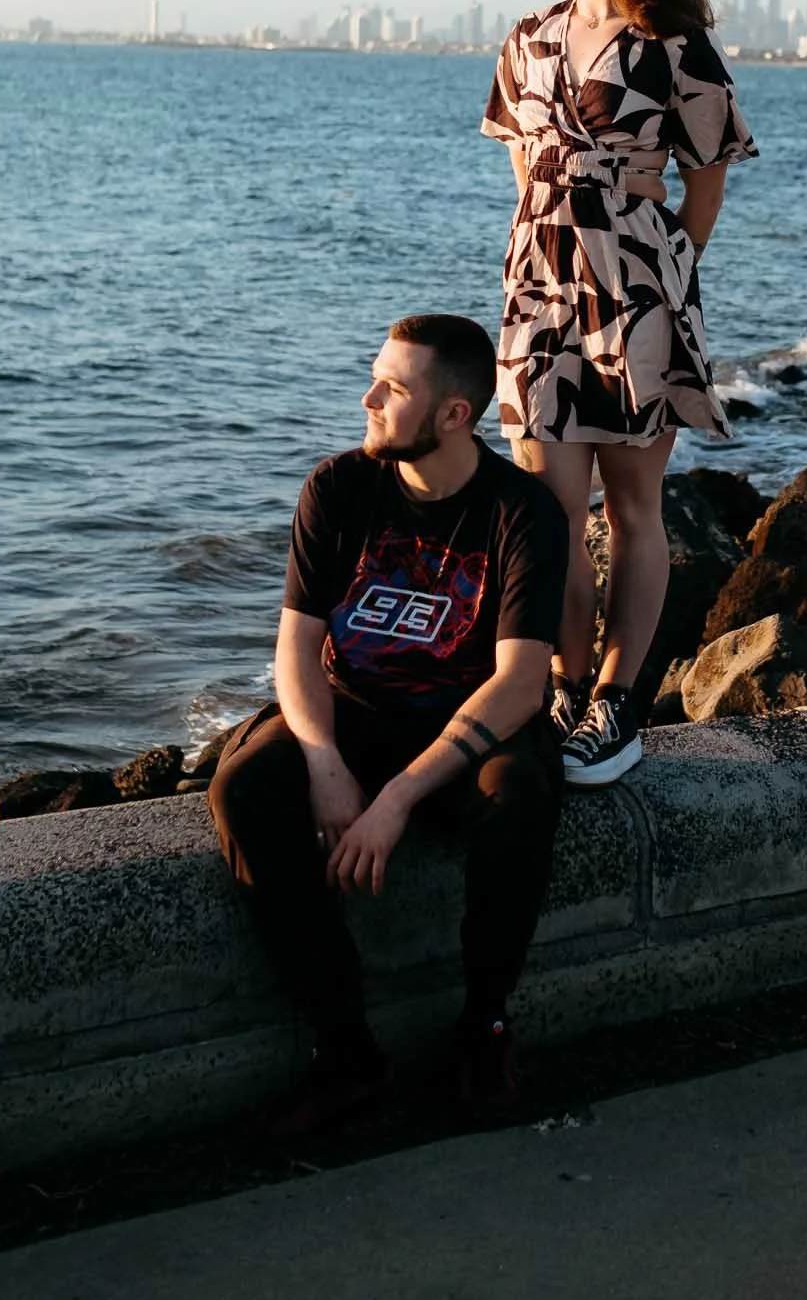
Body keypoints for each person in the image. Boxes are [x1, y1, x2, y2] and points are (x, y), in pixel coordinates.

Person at [209, 313, 568, 1131]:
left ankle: (485, 1027)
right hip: (357, 710)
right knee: (246, 791)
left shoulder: (522, 511)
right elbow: (296, 653)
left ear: (453, 414)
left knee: (521, 793)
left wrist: (398, 799)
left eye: (394, 388)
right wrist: (324, 761)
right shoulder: (338, 488)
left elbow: (518, 684)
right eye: (376, 377)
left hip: (466, 723)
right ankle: (348, 1053)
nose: (368, 397)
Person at [482, 0, 758, 788]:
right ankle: (561, 688)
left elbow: (708, 177)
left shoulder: (675, 42)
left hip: (639, 291)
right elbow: (524, 164)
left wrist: (662, 272)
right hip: (539, 293)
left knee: (635, 507)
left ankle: (616, 702)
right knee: (547, 510)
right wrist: (555, 248)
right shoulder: (525, 39)